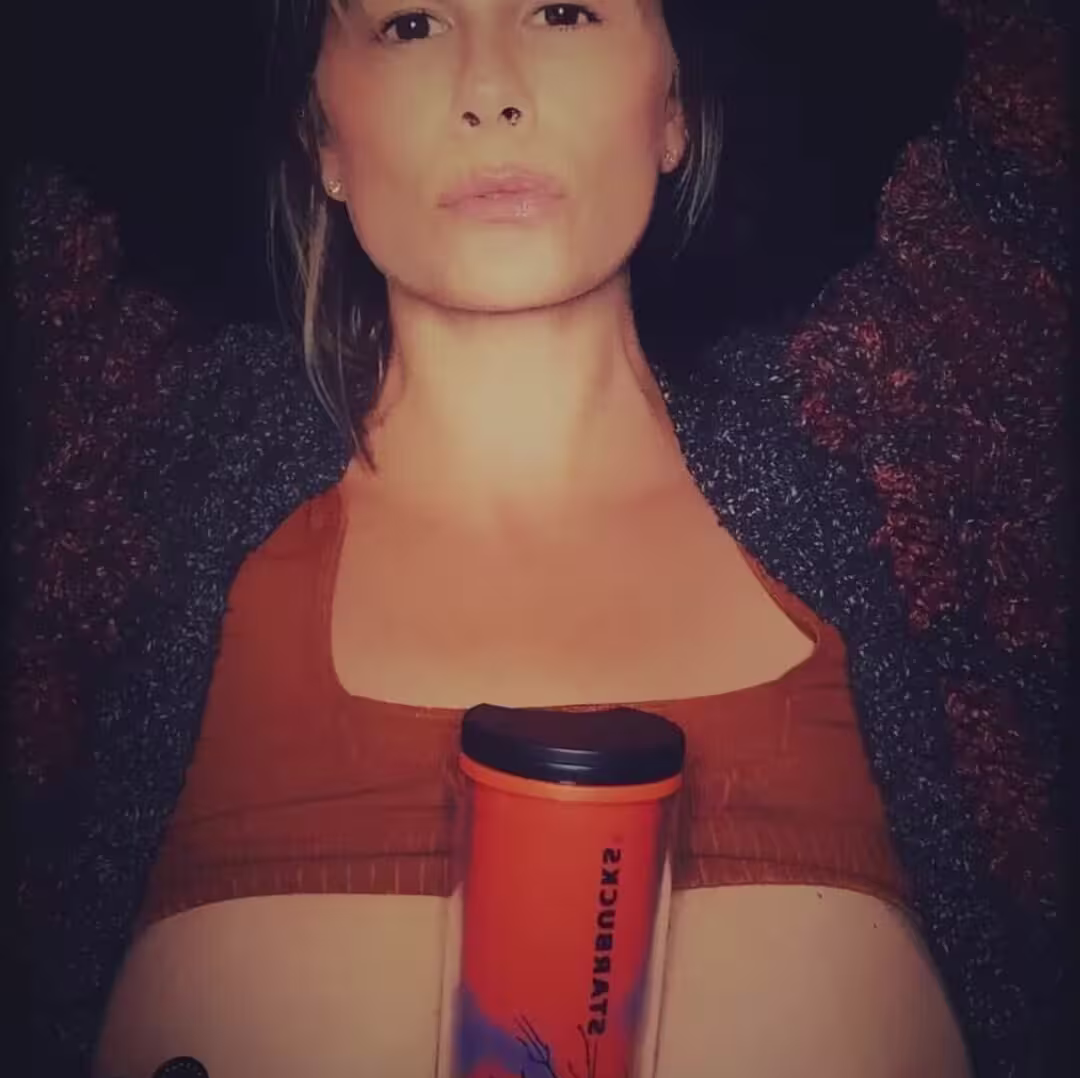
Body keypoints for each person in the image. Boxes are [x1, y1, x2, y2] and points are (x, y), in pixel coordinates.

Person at [3, 1, 1067, 1076]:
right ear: (321, 135)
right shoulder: (125, 462)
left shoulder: (895, 457)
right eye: (411, 24)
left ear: (674, 108)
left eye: (563, 10)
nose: (490, 90)